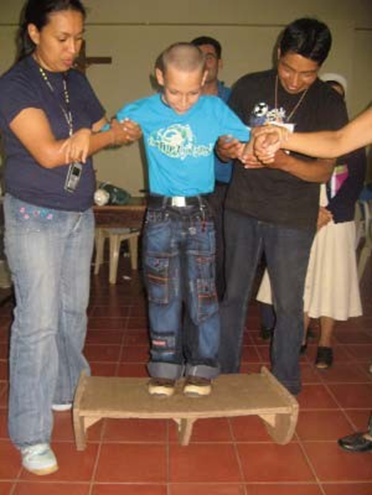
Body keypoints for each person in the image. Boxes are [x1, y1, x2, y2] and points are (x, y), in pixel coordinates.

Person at [0, 0, 140, 476]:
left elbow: (101, 129)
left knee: (71, 311)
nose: (73, 48)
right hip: (32, 214)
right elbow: (49, 153)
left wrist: (126, 124)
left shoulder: (75, 79)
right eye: (62, 38)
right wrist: (93, 137)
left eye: (79, 37)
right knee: (36, 326)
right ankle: (30, 434)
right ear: (34, 32)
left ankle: (66, 391)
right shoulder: (15, 85)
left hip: (78, 214)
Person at [103, 42, 250, 399]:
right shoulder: (143, 109)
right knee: (161, 294)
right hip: (160, 215)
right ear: (159, 78)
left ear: (205, 78)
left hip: (201, 214)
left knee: (203, 294)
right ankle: (165, 366)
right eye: (174, 92)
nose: (184, 103)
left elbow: (247, 140)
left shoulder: (215, 109)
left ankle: (202, 366)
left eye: (192, 93)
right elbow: (111, 128)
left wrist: (244, 146)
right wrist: (119, 131)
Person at [216, 18, 349, 395]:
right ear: (278, 54)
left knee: (290, 304)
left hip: (292, 216)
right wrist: (226, 147)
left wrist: (283, 161)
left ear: (319, 68)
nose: (293, 80)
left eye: (306, 74)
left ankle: (286, 381)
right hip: (242, 207)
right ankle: (225, 374)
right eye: (288, 68)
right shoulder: (249, 86)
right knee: (234, 296)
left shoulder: (327, 102)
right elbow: (226, 140)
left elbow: (323, 170)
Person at [256, 74, 366, 369]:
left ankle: (326, 343)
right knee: (303, 281)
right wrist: (309, 211)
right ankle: (301, 336)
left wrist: (327, 211)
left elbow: (354, 183)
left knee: (332, 282)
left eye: (338, 97)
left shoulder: (353, 142)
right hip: (301, 214)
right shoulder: (302, 137)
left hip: (335, 220)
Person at [191, 36, 231, 299]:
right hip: (189, 189)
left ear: (219, 62)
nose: (205, 62)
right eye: (199, 57)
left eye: (210, 56)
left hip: (225, 189)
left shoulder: (235, 98)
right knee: (190, 253)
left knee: (221, 253)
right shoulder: (181, 100)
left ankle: (217, 311)